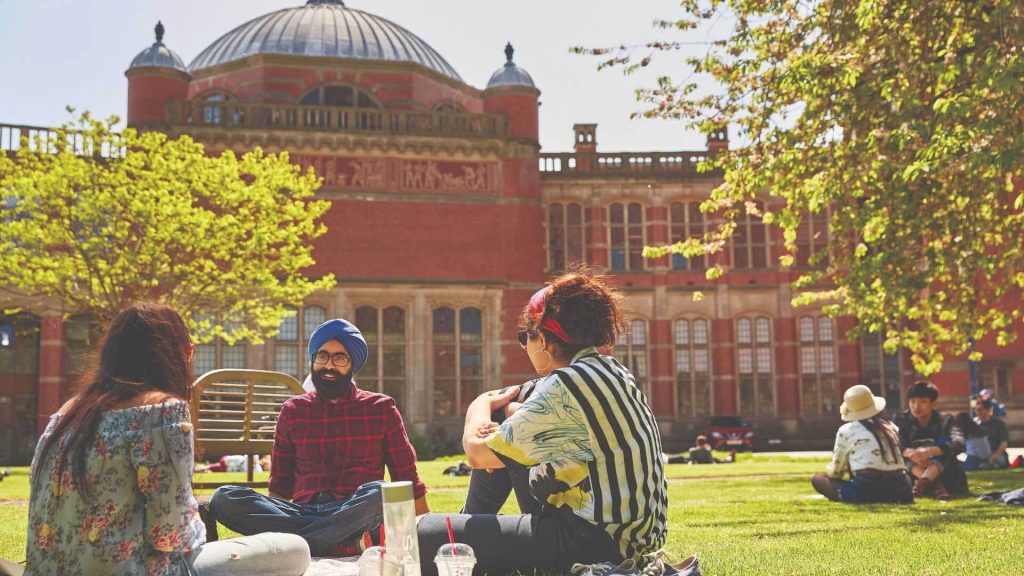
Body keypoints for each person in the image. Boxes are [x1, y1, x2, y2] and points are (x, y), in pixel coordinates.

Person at [24, 303, 310, 575]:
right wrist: (198, 522)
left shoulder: (66, 414)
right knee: (295, 549)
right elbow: (171, 535)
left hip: (47, 570)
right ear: (182, 353)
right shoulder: (163, 411)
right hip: (137, 570)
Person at [416, 270, 670, 576]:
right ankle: (468, 529)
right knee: (505, 419)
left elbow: (477, 454)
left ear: (546, 340)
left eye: (526, 337)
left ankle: (465, 534)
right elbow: (525, 404)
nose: (525, 346)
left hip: (592, 543)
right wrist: (506, 419)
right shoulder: (610, 370)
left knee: (421, 534)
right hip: (633, 540)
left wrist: (479, 404)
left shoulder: (565, 387)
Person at [208, 318, 428, 557]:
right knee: (225, 498)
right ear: (313, 360)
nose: (329, 365)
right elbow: (280, 486)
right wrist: (274, 516)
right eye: (322, 356)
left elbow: (407, 481)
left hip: (355, 512)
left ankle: (298, 543)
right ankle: (335, 543)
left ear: (352, 366)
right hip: (302, 511)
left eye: (340, 358)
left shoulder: (381, 408)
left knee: (382, 493)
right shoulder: (293, 410)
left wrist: (427, 533)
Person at [811, 385, 913, 504]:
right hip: (901, 491)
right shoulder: (891, 427)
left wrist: (829, 471)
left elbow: (836, 472)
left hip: (866, 491)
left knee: (818, 479)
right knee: (905, 478)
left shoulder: (846, 431)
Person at [892, 381, 967, 500]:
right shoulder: (900, 419)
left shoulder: (945, 420)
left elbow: (959, 443)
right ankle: (935, 486)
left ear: (933, 403)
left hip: (943, 472)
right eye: (912, 401)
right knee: (903, 459)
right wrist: (913, 454)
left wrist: (930, 452)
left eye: (922, 402)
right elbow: (893, 443)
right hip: (912, 470)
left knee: (946, 453)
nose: (916, 406)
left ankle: (923, 484)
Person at [975, 399, 1010, 469]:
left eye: (980, 409)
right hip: (978, 454)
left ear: (989, 410)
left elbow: (1004, 442)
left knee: (1000, 461)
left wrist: (997, 454)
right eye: (977, 409)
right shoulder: (974, 424)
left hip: (995, 452)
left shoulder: (999, 424)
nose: (978, 412)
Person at [664, 436, 736, 465]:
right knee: (719, 460)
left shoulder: (693, 450)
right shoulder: (707, 450)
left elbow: (692, 460)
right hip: (705, 460)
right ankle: (730, 457)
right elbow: (711, 461)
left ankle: (666, 458)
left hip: (690, 460)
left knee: (680, 457)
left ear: (697, 443)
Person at [196, 454, 270, 474]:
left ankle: (203, 468)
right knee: (219, 465)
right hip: (231, 461)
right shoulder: (256, 458)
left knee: (218, 467)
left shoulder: (258, 470)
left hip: (230, 467)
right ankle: (203, 468)